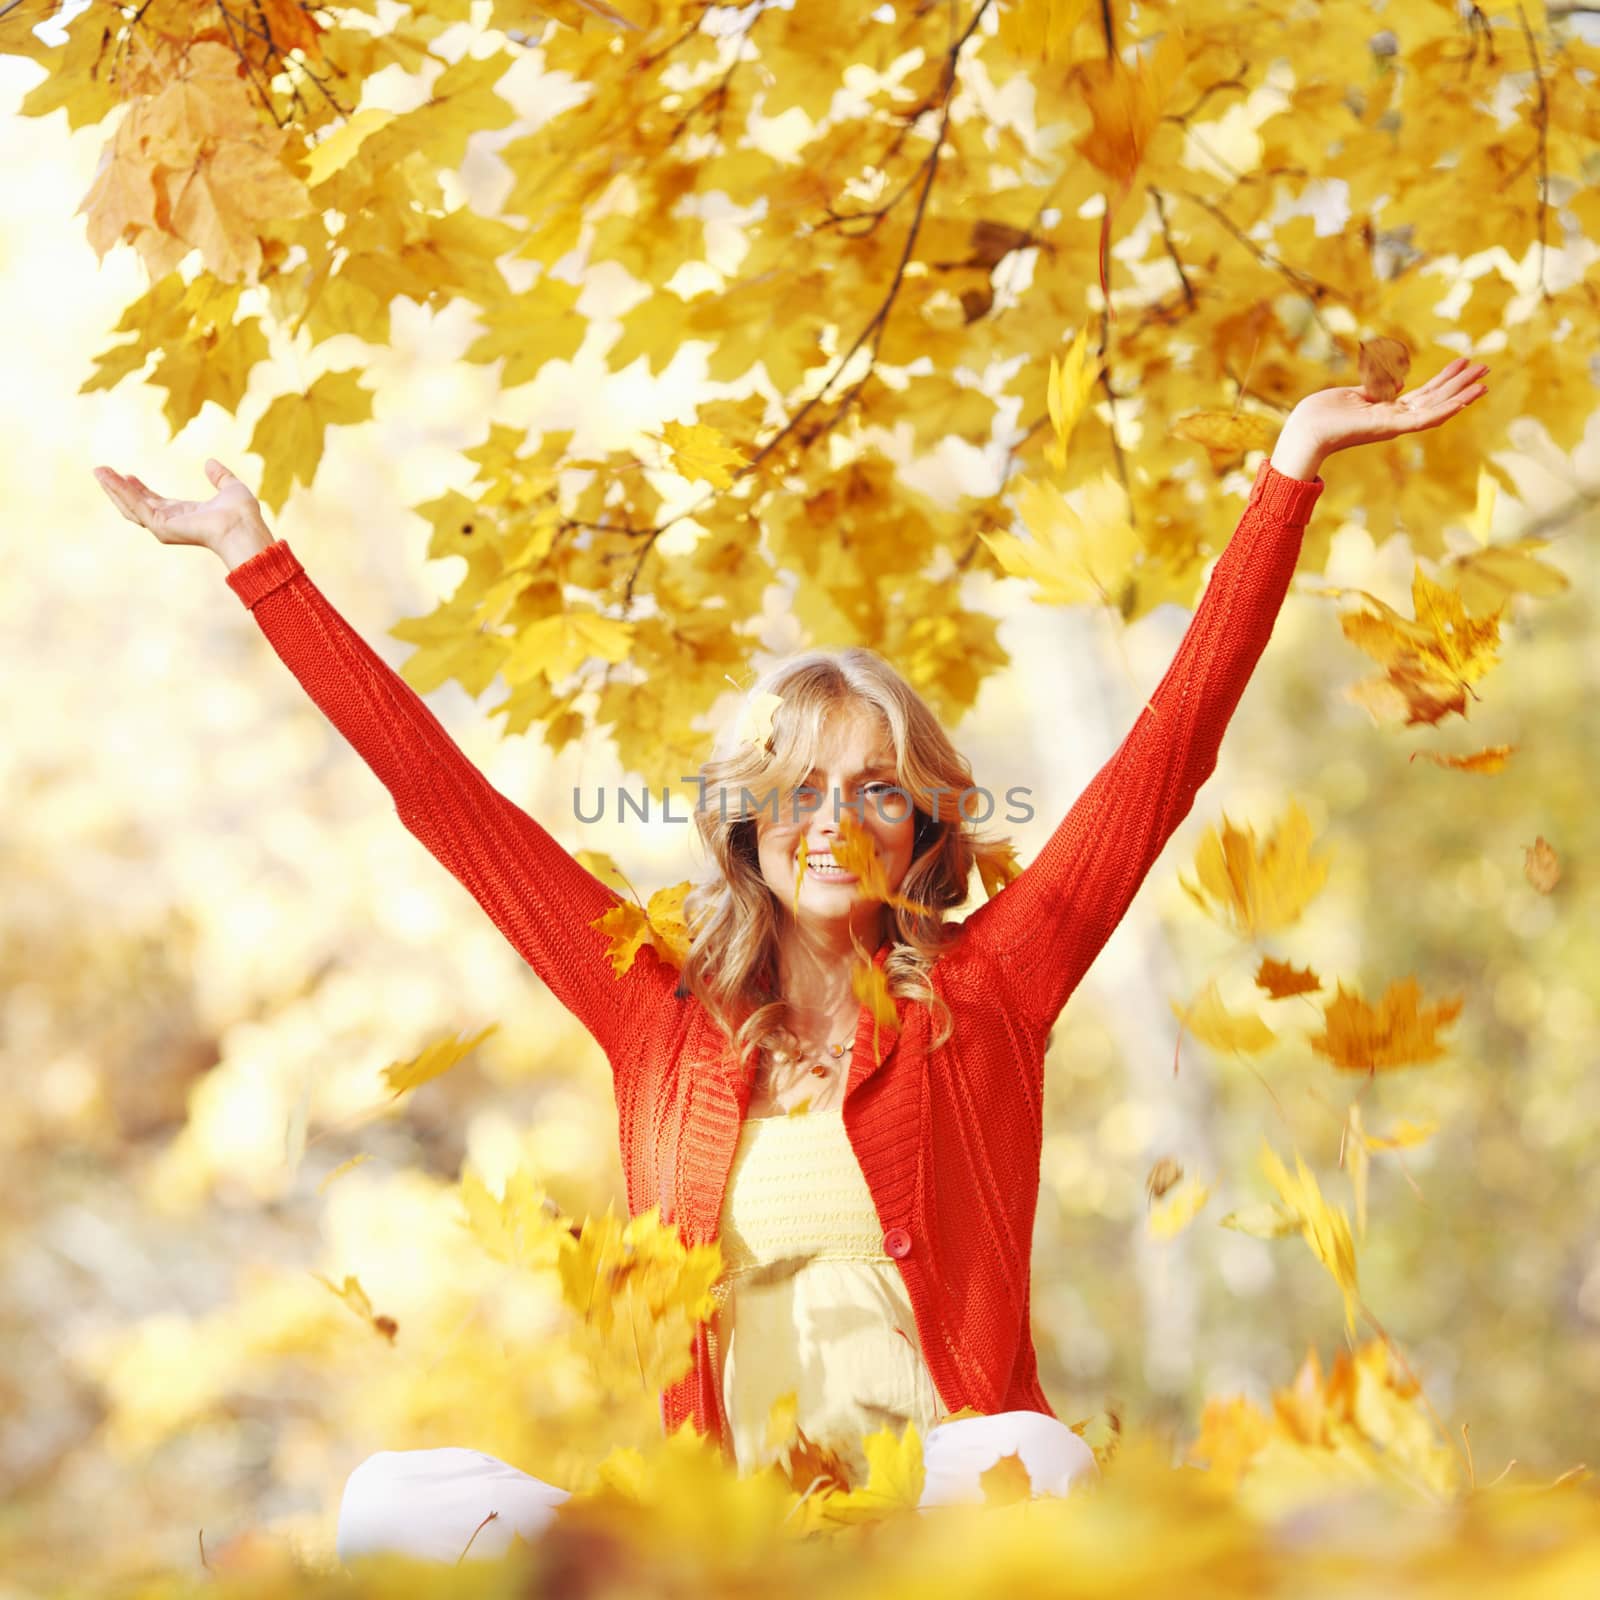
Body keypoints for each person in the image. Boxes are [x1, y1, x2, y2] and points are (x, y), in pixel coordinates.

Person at [92, 358, 1489, 1565]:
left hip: (956, 1519)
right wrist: (255, 560)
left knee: (1025, 1456)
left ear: (925, 819)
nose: (835, 824)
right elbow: (447, 804)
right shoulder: (659, 1024)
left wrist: (1289, 469)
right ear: (749, 820)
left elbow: (1168, 751)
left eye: (877, 790)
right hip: (743, 1537)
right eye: (800, 790)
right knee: (397, 1504)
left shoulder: (988, 995)